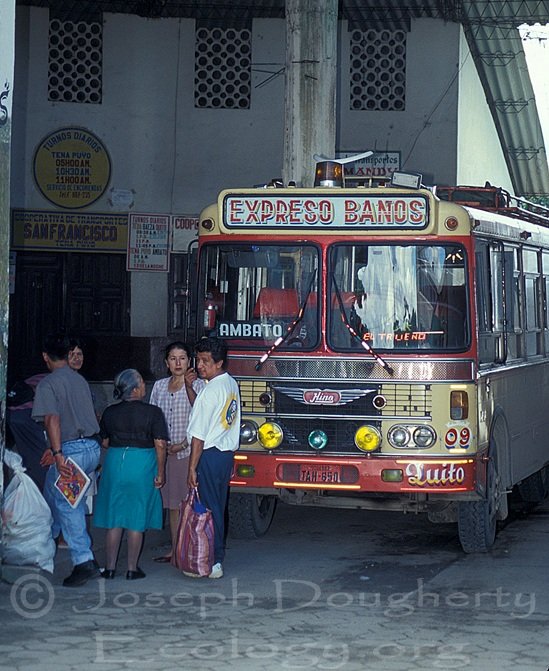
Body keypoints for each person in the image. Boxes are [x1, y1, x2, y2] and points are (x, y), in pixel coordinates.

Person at [32, 333, 101, 587]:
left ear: (46, 357)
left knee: (67, 504)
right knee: (53, 493)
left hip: (70, 452)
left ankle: (83, 561)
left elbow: (53, 419)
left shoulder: (48, 384)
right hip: (90, 449)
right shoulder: (79, 380)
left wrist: (58, 452)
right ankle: (42, 544)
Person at [93, 369, 168, 580]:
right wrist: (161, 472)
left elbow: (105, 442)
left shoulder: (110, 412)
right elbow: (160, 444)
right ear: (136, 388)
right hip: (142, 463)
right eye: (143, 383)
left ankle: (109, 568)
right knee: (136, 518)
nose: (145, 386)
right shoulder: (152, 412)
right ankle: (132, 569)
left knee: (114, 518)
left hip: (115, 462)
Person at [186, 336, 241, 579]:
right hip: (225, 454)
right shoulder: (230, 384)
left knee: (208, 509)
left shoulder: (210, 391)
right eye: (198, 360)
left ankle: (211, 559)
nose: (200, 365)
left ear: (219, 363)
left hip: (208, 455)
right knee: (218, 506)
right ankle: (214, 557)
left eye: (205, 361)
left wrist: (192, 468)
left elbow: (198, 436)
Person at [149, 341, 204, 563]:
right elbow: (154, 417)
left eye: (182, 358)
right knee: (172, 505)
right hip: (165, 453)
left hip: (187, 453)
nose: (178, 363)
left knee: (187, 504)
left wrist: (182, 444)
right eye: (173, 358)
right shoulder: (160, 386)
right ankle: (176, 549)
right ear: (166, 363)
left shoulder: (198, 386)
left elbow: (201, 420)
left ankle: (189, 548)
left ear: (189, 361)